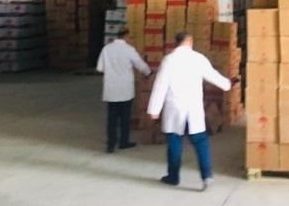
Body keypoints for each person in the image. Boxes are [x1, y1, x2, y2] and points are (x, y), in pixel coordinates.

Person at [147, 31, 239, 191]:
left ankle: (173, 177)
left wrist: (154, 109)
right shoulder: (198, 58)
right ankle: (207, 177)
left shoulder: (168, 60)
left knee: (174, 143)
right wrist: (228, 84)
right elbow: (213, 75)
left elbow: (160, 85)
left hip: (174, 107)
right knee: (200, 142)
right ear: (189, 41)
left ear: (176, 42)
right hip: (193, 107)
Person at [96, 27, 151, 154]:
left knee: (112, 118)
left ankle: (111, 144)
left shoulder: (106, 49)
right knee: (125, 117)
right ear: (126, 36)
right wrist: (148, 72)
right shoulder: (129, 50)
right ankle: (123, 142)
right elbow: (140, 64)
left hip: (111, 89)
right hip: (125, 89)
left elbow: (100, 68)